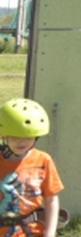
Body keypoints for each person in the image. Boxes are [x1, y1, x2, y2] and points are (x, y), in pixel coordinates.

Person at [0, 99, 63, 237]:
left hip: (32, 232)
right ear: (4, 136)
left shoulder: (43, 160)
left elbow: (51, 199)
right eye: (15, 137)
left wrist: (50, 233)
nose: (22, 142)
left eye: (28, 137)